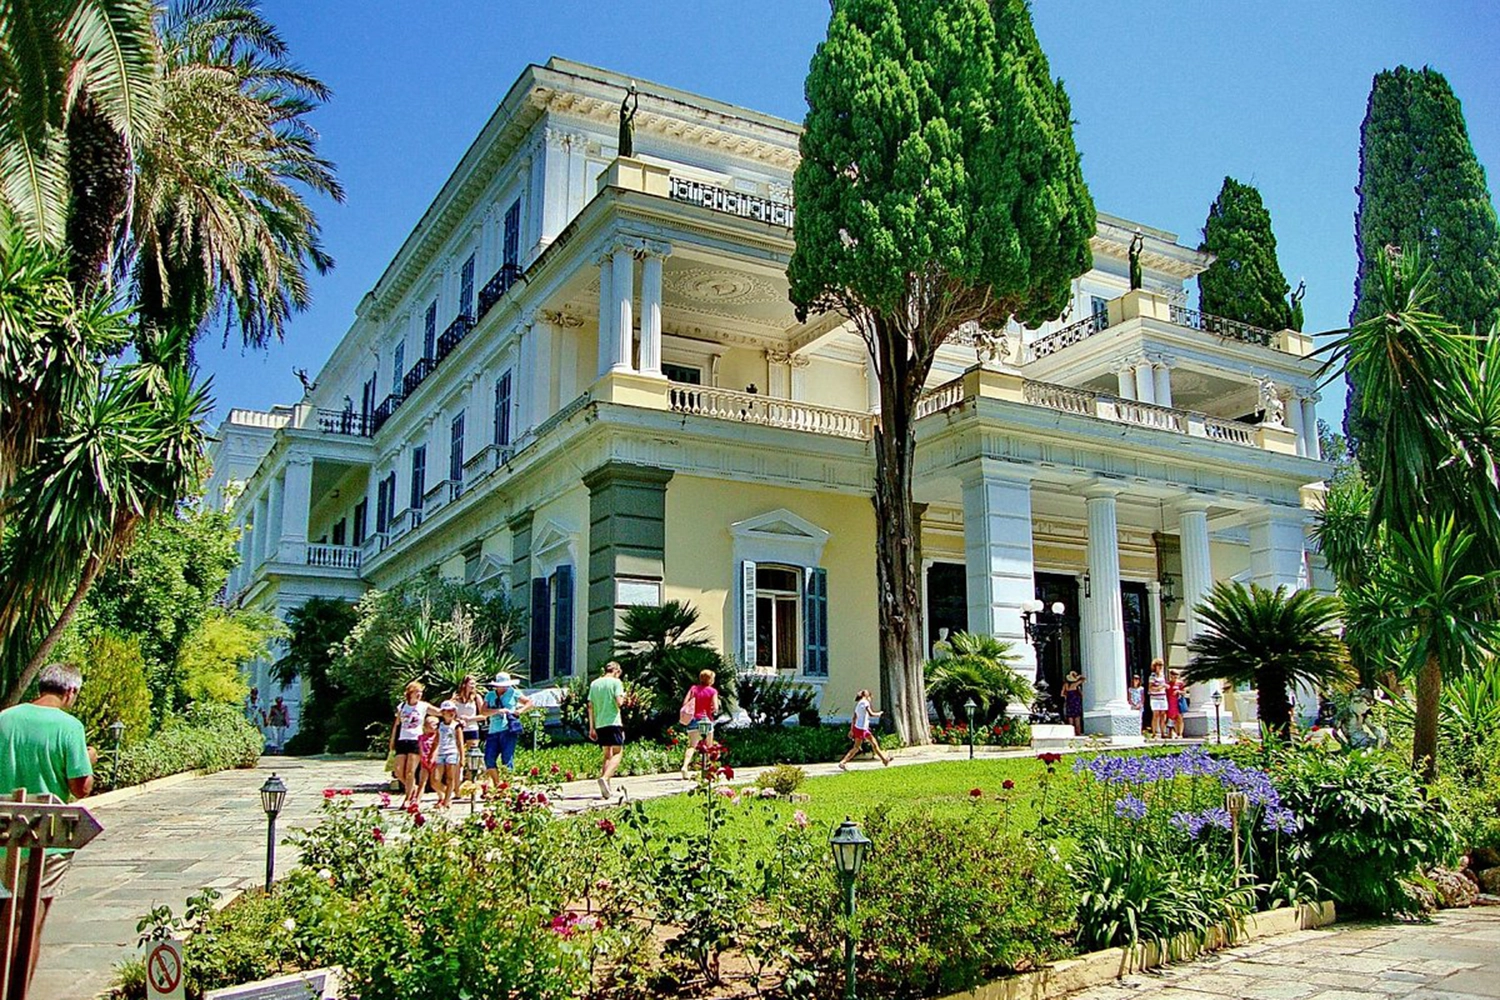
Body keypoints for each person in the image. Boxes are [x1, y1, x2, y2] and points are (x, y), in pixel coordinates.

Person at [0, 663, 96, 990]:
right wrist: (89, 759)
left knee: (5, 916)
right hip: (46, 837)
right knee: (29, 922)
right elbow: (80, 787)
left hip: (4, 830)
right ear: (70, 691)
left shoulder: (5, 719)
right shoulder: (69, 727)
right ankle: (16, 991)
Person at [389, 681, 433, 808]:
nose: (419, 694)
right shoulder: (402, 706)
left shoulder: (423, 706)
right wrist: (392, 739)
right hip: (403, 739)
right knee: (398, 770)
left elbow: (440, 712)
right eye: (417, 692)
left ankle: (408, 799)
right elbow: (397, 724)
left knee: (410, 771)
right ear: (410, 693)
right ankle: (412, 787)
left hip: (415, 739)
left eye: (421, 692)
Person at [482, 672, 533, 780]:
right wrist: (498, 711)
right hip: (493, 731)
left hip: (508, 730)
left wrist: (520, 711)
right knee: (489, 759)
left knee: (507, 759)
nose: (504, 687)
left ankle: (507, 784)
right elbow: (483, 711)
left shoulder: (513, 692)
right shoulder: (490, 695)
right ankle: (497, 784)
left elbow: (529, 702)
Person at [587, 661, 626, 799]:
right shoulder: (616, 683)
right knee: (618, 752)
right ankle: (605, 777)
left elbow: (590, 706)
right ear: (616, 671)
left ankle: (606, 788)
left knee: (607, 754)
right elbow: (619, 702)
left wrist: (592, 727)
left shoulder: (594, 684)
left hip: (600, 723)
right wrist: (623, 696)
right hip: (613, 722)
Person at [679, 669, 721, 780]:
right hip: (706, 719)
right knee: (709, 747)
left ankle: (685, 766)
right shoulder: (712, 691)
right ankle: (708, 771)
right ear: (710, 679)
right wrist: (713, 709)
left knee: (692, 746)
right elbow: (715, 708)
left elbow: (685, 703)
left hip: (694, 719)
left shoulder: (693, 689)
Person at [839, 690, 892, 770]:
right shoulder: (865, 702)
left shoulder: (858, 704)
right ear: (867, 696)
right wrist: (879, 714)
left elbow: (854, 718)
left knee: (873, 743)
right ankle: (843, 762)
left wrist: (852, 730)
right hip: (862, 729)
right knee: (858, 747)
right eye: (870, 697)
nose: (870, 699)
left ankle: (884, 760)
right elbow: (871, 714)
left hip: (858, 728)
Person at [433, 701, 465, 809]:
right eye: (448, 711)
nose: (451, 713)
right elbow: (436, 740)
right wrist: (432, 753)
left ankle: (446, 801)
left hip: (452, 752)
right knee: (435, 779)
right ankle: (447, 792)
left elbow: (460, 742)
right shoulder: (440, 726)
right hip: (441, 753)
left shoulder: (456, 726)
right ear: (443, 712)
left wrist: (462, 757)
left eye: (453, 710)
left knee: (450, 778)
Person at [451, 675, 484, 776]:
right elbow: (449, 714)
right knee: (457, 752)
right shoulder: (455, 698)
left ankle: (471, 776)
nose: (473, 686)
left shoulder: (476, 698)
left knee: (472, 754)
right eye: (471, 684)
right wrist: (458, 720)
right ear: (464, 684)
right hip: (458, 729)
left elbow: (483, 715)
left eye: (474, 684)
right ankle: (458, 775)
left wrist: (470, 719)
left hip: (472, 728)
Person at [416, 715, 439, 803]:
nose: (433, 727)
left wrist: (433, 758)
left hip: (434, 762)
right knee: (422, 782)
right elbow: (420, 750)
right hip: (424, 763)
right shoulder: (421, 738)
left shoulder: (437, 737)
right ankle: (417, 801)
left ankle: (443, 796)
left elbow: (437, 749)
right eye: (431, 724)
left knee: (434, 783)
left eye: (435, 725)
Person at [1147, 659, 1168, 739]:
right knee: (1155, 715)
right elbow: (1150, 688)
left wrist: (1165, 687)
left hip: (1163, 697)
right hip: (1155, 698)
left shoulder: (1163, 676)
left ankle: (1163, 732)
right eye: (1159, 665)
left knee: (1163, 715)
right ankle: (1154, 733)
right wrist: (1161, 687)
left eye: (1161, 665)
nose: (1160, 667)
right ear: (1155, 666)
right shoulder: (1152, 676)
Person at [1062, 671, 1085, 735]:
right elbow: (1083, 679)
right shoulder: (1075, 684)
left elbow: (1062, 694)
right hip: (1076, 703)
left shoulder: (1066, 685)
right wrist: (1078, 677)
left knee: (1070, 718)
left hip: (1069, 702)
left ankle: (1071, 733)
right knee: (1077, 718)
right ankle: (1078, 732)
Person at [1166, 669, 1185, 739]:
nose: (1174, 676)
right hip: (1170, 703)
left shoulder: (1180, 683)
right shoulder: (1168, 684)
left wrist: (1178, 691)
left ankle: (1180, 734)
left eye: (1176, 675)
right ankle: (1171, 733)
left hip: (1178, 703)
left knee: (1179, 718)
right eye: (1173, 675)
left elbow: (1184, 692)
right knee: (1170, 718)